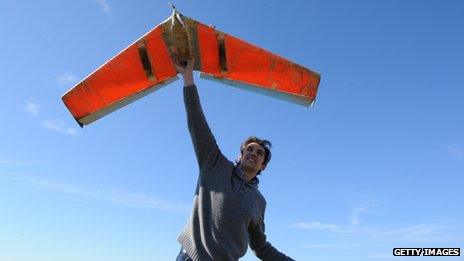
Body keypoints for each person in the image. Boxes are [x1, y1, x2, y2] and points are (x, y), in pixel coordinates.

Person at [175, 59, 295, 261]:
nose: (254, 153)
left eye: (259, 153)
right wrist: (188, 79)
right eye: (250, 149)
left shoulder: (259, 202)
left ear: (263, 166)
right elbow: (197, 123)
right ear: (239, 156)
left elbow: (261, 247)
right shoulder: (214, 164)